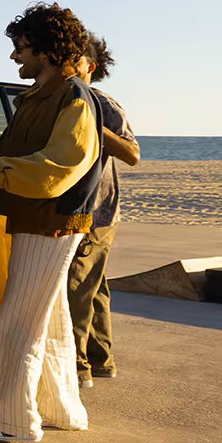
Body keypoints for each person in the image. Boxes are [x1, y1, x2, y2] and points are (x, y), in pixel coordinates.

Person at [0, 3, 102, 443]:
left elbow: (58, 166)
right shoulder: (38, 95)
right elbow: (8, 148)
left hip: (51, 222)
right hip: (37, 219)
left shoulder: (74, 97)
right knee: (48, 321)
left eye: (21, 47)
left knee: (17, 324)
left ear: (48, 50)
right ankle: (62, 411)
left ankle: (10, 422)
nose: (14, 56)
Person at [66, 36, 139, 390]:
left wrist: (96, 128)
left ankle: (78, 367)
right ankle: (101, 359)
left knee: (76, 287)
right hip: (80, 210)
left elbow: (133, 154)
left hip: (97, 213)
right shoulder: (61, 100)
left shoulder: (103, 105)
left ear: (89, 67)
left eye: (73, 61)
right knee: (94, 288)